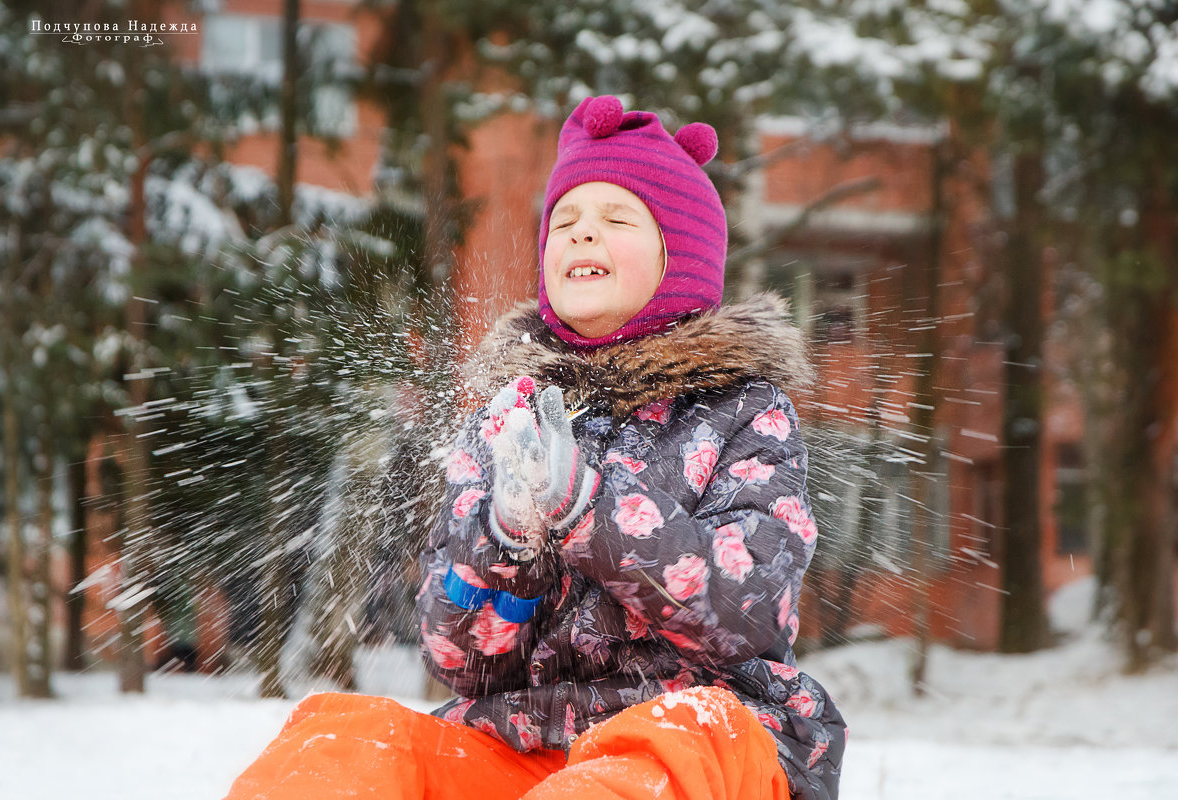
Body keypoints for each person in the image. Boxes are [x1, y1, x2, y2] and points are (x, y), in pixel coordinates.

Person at [224, 95, 846, 800]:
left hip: (703, 746)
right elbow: (457, 658)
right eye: (566, 222)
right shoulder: (504, 421)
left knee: (663, 744)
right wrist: (506, 540)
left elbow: (749, 615)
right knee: (342, 745)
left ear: (685, 258)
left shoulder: (743, 412)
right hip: (523, 745)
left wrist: (588, 510)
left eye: (617, 219)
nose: (583, 235)